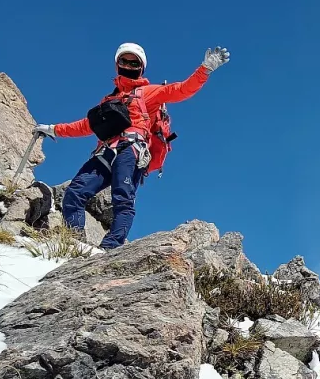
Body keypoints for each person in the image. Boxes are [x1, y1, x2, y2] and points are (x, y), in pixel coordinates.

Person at [34, 42, 230, 249]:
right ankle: (73, 243)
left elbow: (181, 90)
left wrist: (204, 69)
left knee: (123, 198)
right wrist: (53, 129)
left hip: (131, 150)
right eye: (123, 60)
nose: (128, 65)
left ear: (141, 67)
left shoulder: (148, 93)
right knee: (75, 192)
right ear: (117, 63)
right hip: (104, 153)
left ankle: (110, 247)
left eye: (133, 62)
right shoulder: (108, 100)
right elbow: (86, 126)